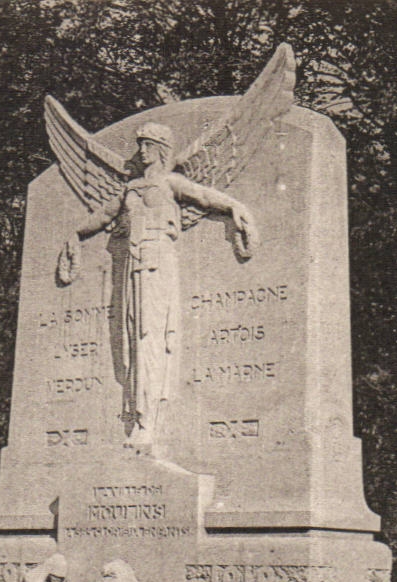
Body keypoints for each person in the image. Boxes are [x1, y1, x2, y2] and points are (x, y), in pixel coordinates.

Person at [58, 122, 256, 449]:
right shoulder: (130, 189)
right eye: (140, 145)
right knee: (133, 337)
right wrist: (76, 234)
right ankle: (137, 413)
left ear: (161, 150)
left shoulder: (170, 182)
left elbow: (205, 196)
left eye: (148, 145)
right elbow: (103, 216)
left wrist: (235, 206)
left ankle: (146, 421)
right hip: (133, 266)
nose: (142, 151)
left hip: (158, 263)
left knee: (151, 335)